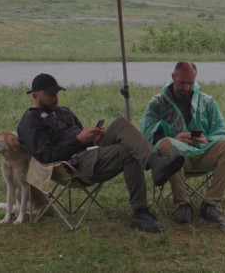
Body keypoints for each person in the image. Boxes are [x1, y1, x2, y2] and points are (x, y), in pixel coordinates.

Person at [16, 73, 185, 233]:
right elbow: (46, 156)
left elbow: (79, 135)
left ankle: (155, 162)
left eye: (57, 93)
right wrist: (78, 141)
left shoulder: (64, 111)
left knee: (120, 123)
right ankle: (140, 213)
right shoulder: (31, 121)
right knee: (128, 151)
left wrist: (92, 138)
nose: (55, 98)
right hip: (71, 166)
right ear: (35, 96)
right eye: (50, 95)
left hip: (89, 152)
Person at [141, 61, 225, 224]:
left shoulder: (206, 101)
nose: (186, 88)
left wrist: (206, 140)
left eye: (191, 83)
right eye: (182, 82)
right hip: (175, 159)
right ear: (173, 77)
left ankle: (210, 204)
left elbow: (221, 130)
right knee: (166, 143)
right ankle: (183, 205)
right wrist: (174, 140)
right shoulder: (158, 103)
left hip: (203, 153)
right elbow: (148, 135)